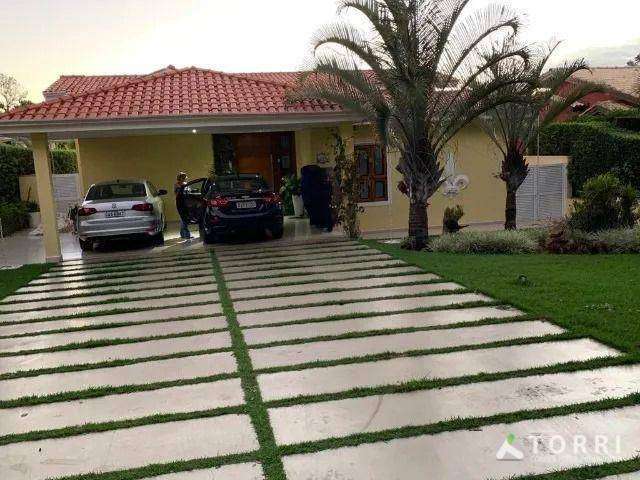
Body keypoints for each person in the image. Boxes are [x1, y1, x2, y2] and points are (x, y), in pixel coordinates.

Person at [174, 172, 191, 239]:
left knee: (184, 218)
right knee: (183, 218)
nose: (185, 179)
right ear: (180, 178)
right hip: (180, 203)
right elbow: (177, 194)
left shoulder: (186, 184)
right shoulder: (177, 185)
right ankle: (186, 234)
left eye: (185, 178)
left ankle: (183, 233)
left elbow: (189, 193)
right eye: (184, 177)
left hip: (185, 203)